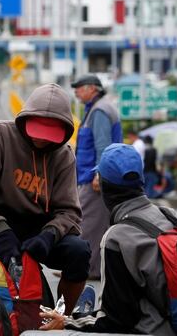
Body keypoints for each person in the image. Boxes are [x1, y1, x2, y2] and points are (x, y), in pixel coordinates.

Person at [0, 83, 90, 315]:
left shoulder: (64, 155)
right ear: (25, 119)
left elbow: (70, 212)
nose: (42, 141)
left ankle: (61, 317)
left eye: (50, 136)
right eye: (37, 131)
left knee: (79, 251)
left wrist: (50, 235)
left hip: (38, 229)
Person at [39, 144, 177, 335]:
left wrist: (67, 322)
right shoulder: (169, 216)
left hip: (151, 330)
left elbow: (115, 321)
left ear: (103, 187)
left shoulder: (116, 238)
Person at [71, 74, 122, 279]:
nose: (76, 91)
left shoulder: (100, 110)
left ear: (93, 88)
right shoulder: (94, 109)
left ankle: (87, 270)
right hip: (87, 175)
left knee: (87, 224)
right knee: (96, 225)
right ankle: (90, 268)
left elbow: (103, 145)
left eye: (79, 87)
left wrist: (100, 173)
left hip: (94, 177)